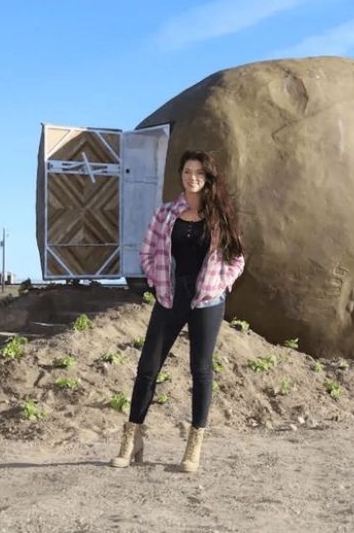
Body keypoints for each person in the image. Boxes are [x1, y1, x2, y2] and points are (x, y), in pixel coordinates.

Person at [110, 149, 245, 473]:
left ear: (207, 178)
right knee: (147, 368)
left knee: (200, 371)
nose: (192, 177)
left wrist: (221, 284)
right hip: (171, 296)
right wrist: (157, 280)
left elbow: (237, 258)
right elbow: (147, 250)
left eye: (198, 172)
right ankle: (132, 440)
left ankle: (193, 447)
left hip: (207, 301)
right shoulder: (166, 214)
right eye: (187, 171)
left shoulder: (220, 216)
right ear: (181, 175)